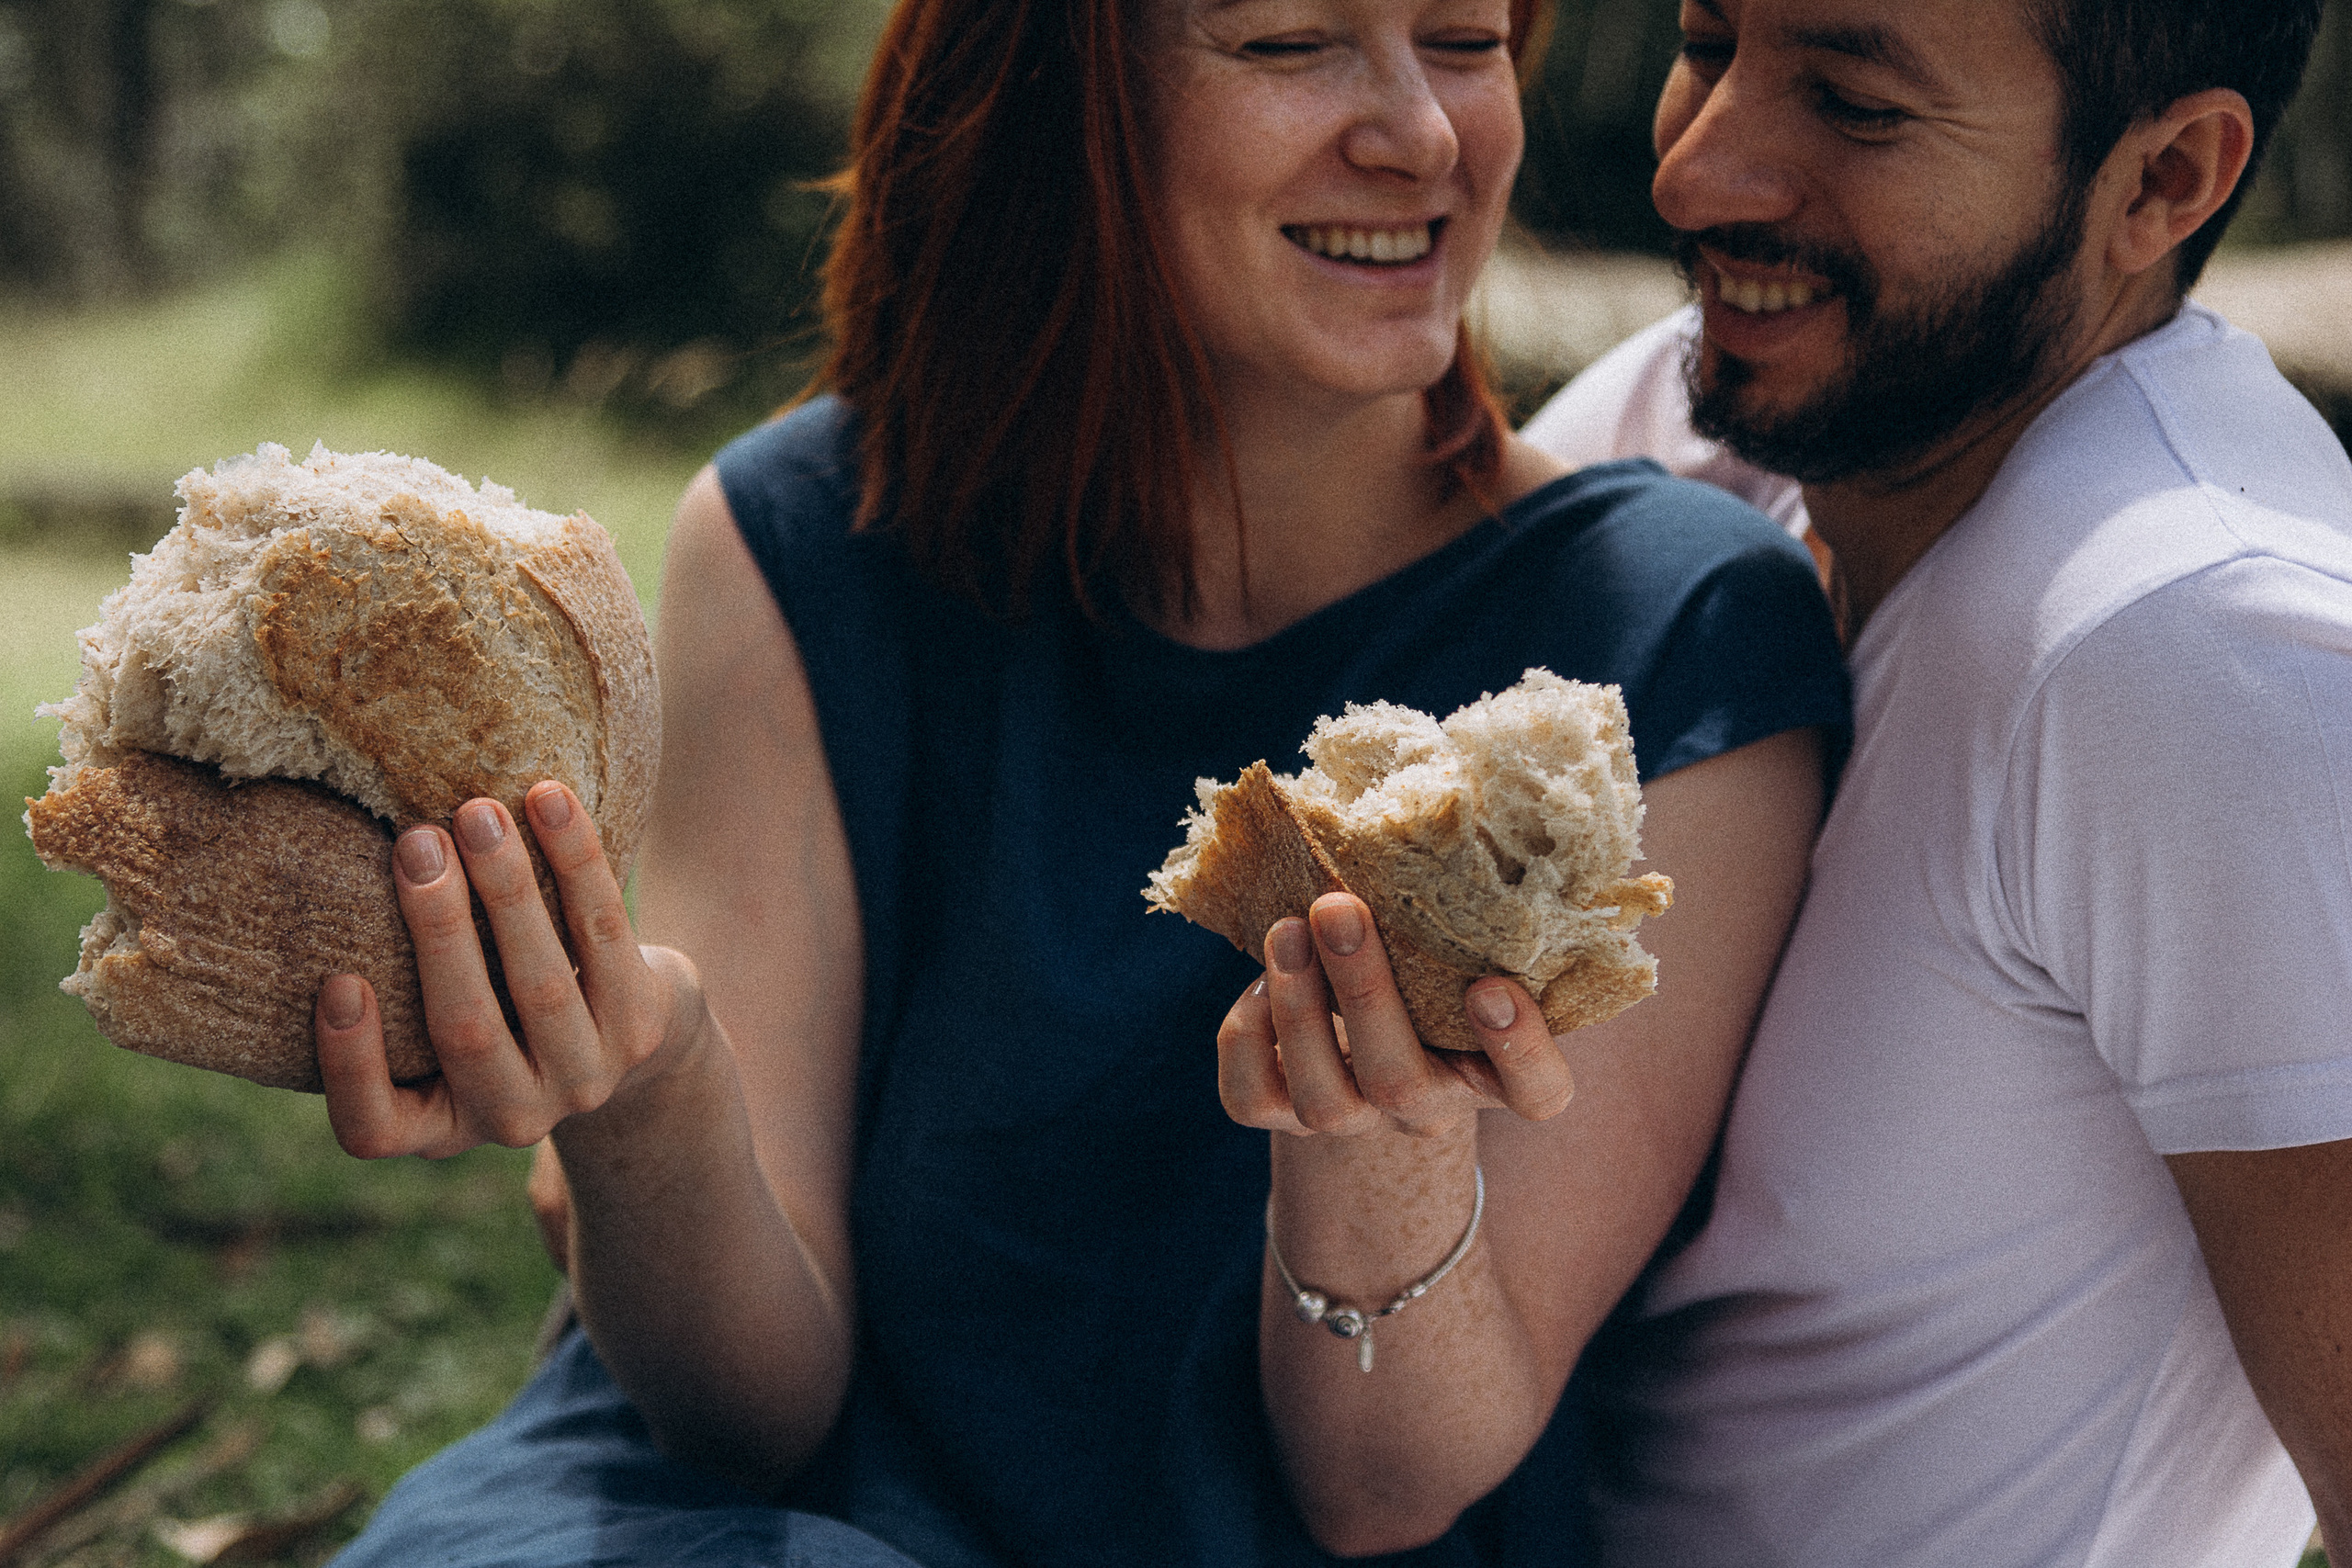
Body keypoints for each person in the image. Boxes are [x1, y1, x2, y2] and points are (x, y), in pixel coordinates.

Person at [311, 0, 1847, 1559]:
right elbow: (749, 1421)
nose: (1427, 133)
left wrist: (1375, 1147)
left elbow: (1382, 1486)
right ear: (1051, 91)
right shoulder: (805, 540)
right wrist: (644, 1093)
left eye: (1461, 39)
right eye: (1290, 44)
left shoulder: (1671, 638)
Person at [1517, 1, 2352, 1563]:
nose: (1697, 173)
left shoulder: (2200, 650)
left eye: (1849, 101)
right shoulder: (1695, 440)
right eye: (1707, 45)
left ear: (2163, 179)